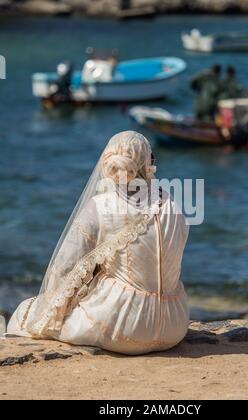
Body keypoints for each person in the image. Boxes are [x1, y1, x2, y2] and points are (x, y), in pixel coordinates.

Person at [7, 131, 190, 355]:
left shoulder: (101, 206)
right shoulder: (172, 204)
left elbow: (65, 266)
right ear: (148, 163)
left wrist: (54, 307)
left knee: (24, 313)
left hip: (123, 326)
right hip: (174, 324)